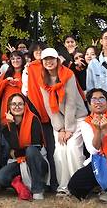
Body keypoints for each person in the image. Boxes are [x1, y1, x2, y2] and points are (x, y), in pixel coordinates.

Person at [23, 47, 87, 194]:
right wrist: (60, 128)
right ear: (42, 62)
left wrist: (69, 129)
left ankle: (78, 186)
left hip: (76, 118)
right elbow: (48, 105)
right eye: (45, 59)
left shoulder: (67, 74)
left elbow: (71, 103)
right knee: (59, 152)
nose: (49, 62)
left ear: (57, 60)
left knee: (72, 150)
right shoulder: (42, 78)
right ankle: (64, 186)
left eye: (51, 58)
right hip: (59, 122)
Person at [0, 93, 48, 201]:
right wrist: (12, 124)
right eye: (13, 104)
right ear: (9, 107)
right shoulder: (7, 127)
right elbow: (15, 146)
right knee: (1, 177)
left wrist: (15, 153)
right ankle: (21, 186)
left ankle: (37, 190)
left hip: (38, 162)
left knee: (31, 150)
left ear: (25, 106)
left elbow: (34, 148)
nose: (17, 107)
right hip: (21, 162)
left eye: (20, 104)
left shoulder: (33, 120)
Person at [0, 51, 24, 126]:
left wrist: (17, 83)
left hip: (24, 113)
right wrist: (5, 82)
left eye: (18, 58)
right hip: (7, 114)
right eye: (13, 59)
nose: (15, 61)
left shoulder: (27, 73)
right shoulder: (5, 75)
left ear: (22, 59)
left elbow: (30, 92)